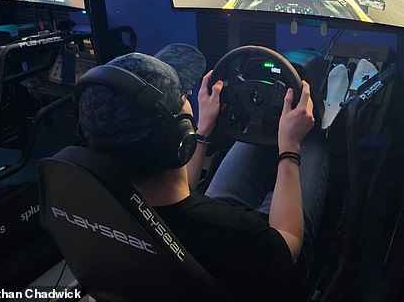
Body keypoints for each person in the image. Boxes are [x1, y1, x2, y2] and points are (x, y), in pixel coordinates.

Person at [76, 44, 329, 301]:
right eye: (184, 96)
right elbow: (289, 244)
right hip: (263, 257)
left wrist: (203, 130)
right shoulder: (242, 232)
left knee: (249, 140)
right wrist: (289, 147)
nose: (189, 101)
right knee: (314, 142)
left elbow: (178, 189)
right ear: (178, 135)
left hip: (193, 252)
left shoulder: (93, 211)